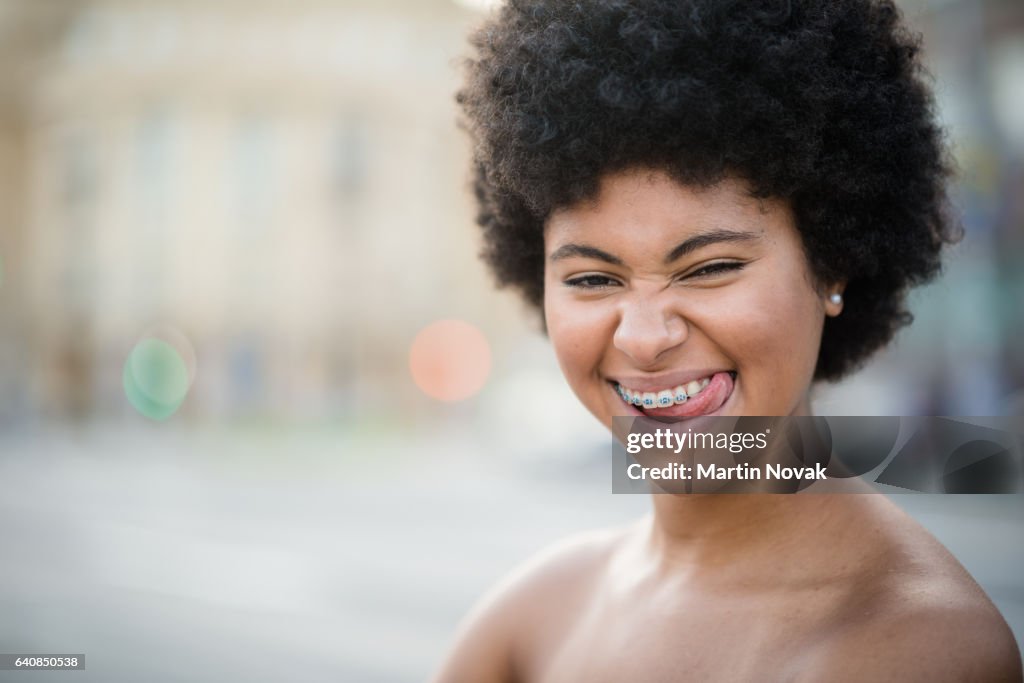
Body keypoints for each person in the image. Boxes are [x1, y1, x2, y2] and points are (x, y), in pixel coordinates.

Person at [434, 0, 1022, 680]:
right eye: (593, 278)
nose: (645, 336)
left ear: (832, 262)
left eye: (711, 268)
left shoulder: (919, 647)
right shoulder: (526, 624)